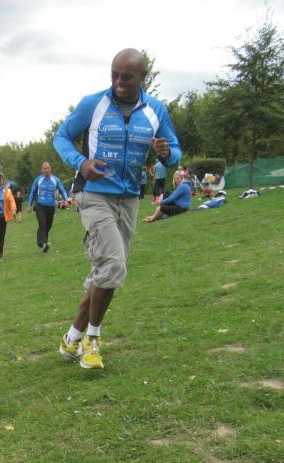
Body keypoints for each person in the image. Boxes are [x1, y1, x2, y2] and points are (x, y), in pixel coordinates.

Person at [53, 48, 181, 369]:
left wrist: (167, 153)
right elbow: (62, 137)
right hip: (93, 194)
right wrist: (81, 163)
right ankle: (92, 341)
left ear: (142, 77)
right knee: (113, 264)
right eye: (114, 76)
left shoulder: (155, 110)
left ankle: (71, 338)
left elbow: (175, 151)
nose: (119, 83)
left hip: (130, 198)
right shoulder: (93, 104)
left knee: (107, 270)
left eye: (127, 77)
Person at [28, 161, 70, 252]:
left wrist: (66, 200)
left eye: (47, 168)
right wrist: (29, 205)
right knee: (42, 224)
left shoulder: (56, 180)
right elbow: (32, 192)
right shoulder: (38, 180)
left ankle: (44, 244)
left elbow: (62, 190)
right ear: (42, 170)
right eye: (44, 168)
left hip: (51, 206)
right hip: (40, 206)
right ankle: (41, 243)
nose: (46, 170)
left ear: (50, 169)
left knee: (48, 226)